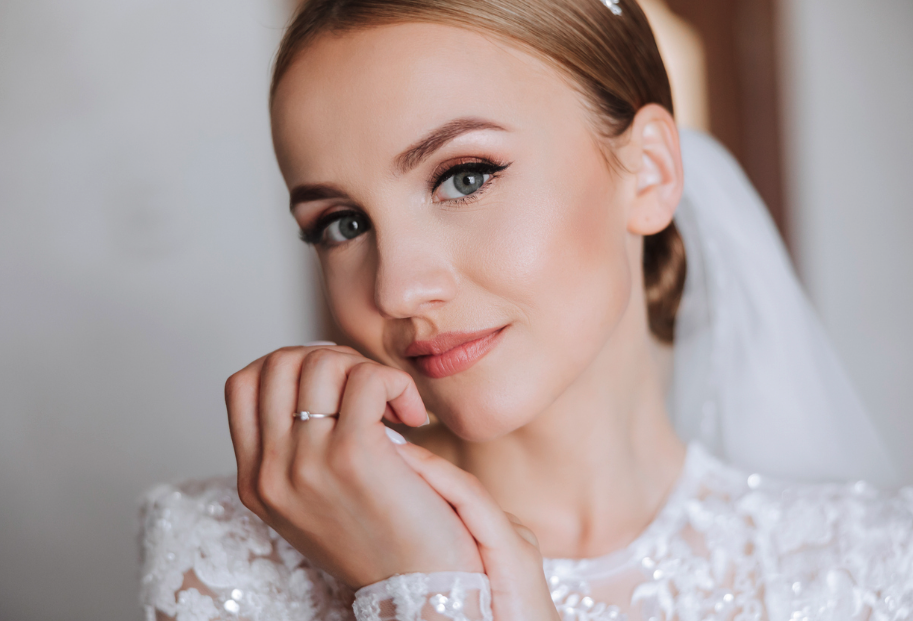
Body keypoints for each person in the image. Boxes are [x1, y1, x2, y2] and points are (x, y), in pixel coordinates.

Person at [138, 1, 912, 620]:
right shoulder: (229, 559)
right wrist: (423, 580)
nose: (396, 289)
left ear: (647, 171)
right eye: (341, 223)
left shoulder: (872, 572)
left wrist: (431, 595)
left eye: (464, 177)